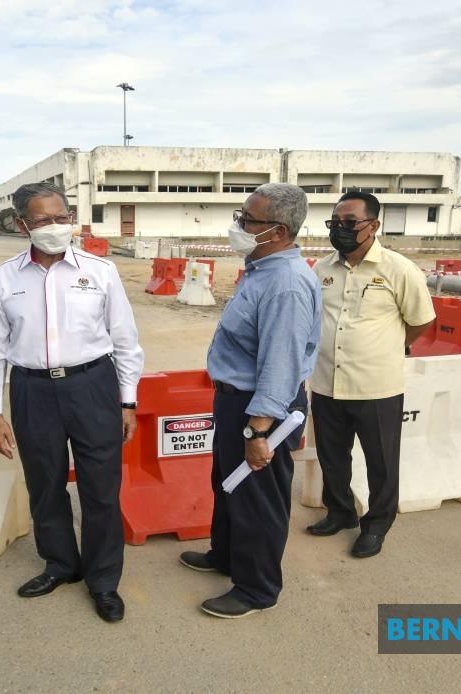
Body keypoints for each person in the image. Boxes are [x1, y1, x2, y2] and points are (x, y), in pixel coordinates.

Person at [0, 182, 144, 623]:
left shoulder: (100, 271)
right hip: (32, 391)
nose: (54, 227)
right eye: (42, 220)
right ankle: (60, 565)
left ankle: (104, 580)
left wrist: (128, 402)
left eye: (60, 217)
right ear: (21, 225)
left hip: (93, 387)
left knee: (100, 489)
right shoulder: (5, 278)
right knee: (45, 483)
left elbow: (126, 342)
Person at [178, 183, 320, 618]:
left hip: (263, 409)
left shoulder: (287, 284)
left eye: (246, 220)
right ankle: (226, 554)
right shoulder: (261, 269)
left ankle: (257, 588)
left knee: (258, 496)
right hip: (237, 400)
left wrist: (259, 431)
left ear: (276, 231)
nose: (237, 225)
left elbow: (280, 364)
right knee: (228, 483)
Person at [305, 192, 436, 558]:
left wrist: (390, 346)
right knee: (332, 456)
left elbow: (421, 321)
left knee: (380, 461)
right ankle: (340, 512)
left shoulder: (399, 269)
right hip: (328, 381)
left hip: (376, 386)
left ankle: (376, 525)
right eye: (335, 223)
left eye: (350, 223)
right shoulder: (322, 269)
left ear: (374, 226)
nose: (341, 230)